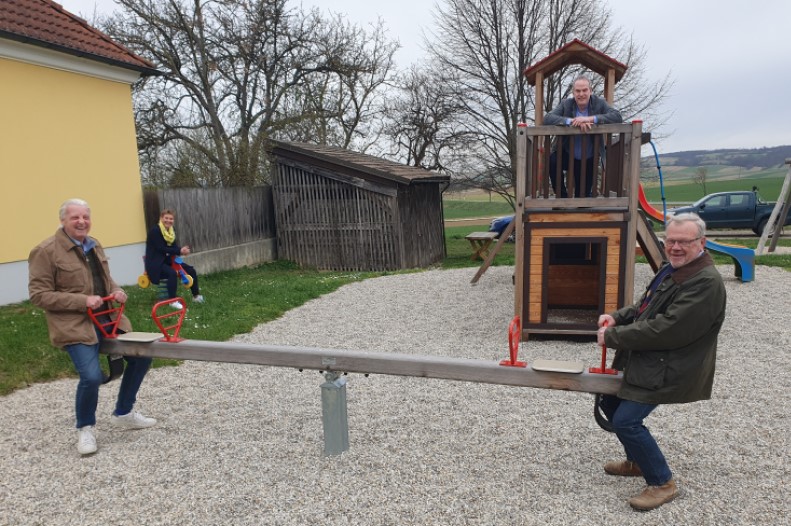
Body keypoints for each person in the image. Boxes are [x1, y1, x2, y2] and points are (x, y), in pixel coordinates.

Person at [596, 212, 726, 511]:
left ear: (701, 243)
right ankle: (636, 461)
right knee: (610, 402)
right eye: (671, 240)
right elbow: (646, 304)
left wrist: (614, 337)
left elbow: (668, 329)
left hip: (670, 365)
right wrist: (616, 317)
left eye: (684, 241)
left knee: (626, 420)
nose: (676, 247)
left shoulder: (705, 282)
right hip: (651, 359)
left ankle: (662, 482)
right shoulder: (674, 269)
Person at [28, 198, 157, 456]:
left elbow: (105, 280)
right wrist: (81, 301)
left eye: (85, 217)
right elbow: (38, 295)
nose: (81, 222)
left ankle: (123, 412)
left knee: (143, 355)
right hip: (75, 325)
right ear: (63, 220)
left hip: (109, 319)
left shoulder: (93, 244)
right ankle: (85, 428)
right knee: (91, 376)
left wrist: (117, 290)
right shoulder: (46, 250)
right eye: (75, 217)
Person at [544, 76, 623, 197]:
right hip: (568, 153)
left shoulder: (599, 103)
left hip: (589, 158)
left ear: (590, 91)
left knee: (583, 197)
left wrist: (590, 119)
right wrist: (571, 121)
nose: (581, 94)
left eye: (584, 90)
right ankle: (562, 197)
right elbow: (548, 118)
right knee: (552, 160)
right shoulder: (566, 104)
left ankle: (583, 199)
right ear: (573, 93)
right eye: (578, 91)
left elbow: (617, 117)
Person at [145, 208, 203, 309]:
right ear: (161, 218)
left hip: (168, 261)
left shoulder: (171, 231)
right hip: (155, 264)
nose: (168, 220)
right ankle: (172, 301)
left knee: (190, 270)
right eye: (166, 218)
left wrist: (182, 250)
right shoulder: (155, 231)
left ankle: (196, 296)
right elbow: (161, 248)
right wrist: (179, 251)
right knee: (172, 273)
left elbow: (173, 247)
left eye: (171, 219)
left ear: (173, 220)